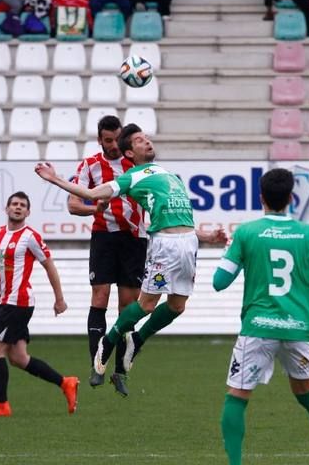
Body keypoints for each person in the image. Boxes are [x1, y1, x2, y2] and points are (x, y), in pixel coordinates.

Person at [35, 124, 227, 382]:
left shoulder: (169, 175)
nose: (147, 142)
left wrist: (207, 237)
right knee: (147, 304)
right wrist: (55, 179)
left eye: (147, 138)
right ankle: (109, 340)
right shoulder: (133, 177)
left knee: (177, 306)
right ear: (128, 153)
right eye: (139, 140)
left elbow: (178, 217)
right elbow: (91, 193)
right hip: (165, 247)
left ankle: (137, 339)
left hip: (188, 244)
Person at [214, 168, 309, 465]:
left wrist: (233, 251)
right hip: (298, 327)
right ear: (291, 199)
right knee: (307, 393)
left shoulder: (247, 232)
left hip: (258, 327)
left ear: (261, 198)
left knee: (237, 395)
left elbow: (220, 282)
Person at [0, 191, 79, 417]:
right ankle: (66, 383)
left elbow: (49, 265)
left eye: (23, 205)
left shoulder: (30, 236)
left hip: (18, 301)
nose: (18, 207)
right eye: (14, 204)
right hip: (8, 300)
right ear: (7, 208)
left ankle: (1, 405)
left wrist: (59, 298)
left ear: (28, 212)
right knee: (18, 357)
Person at [68, 116, 147, 397]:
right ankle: (96, 365)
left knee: (128, 308)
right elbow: (73, 204)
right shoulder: (90, 165)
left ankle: (120, 372)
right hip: (104, 238)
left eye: (117, 139)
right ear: (100, 140)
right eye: (108, 140)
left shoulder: (135, 163)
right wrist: (95, 209)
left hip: (135, 240)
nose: (113, 145)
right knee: (99, 297)